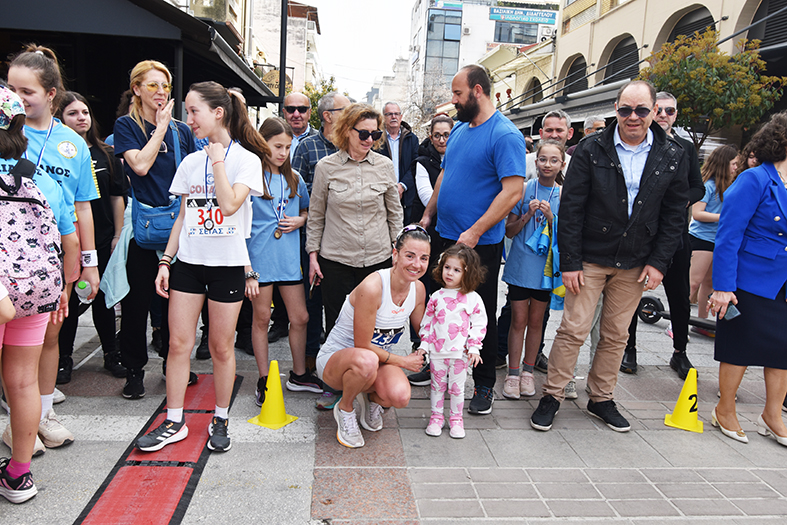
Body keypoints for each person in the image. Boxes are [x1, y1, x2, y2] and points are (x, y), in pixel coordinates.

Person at [530, 80, 689, 433]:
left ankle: (601, 397)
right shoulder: (590, 149)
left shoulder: (672, 154)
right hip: (589, 258)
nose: (633, 117)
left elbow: (675, 213)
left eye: (642, 110)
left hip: (636, 261)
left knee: (617, 335)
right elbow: (571, 209)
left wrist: (659, 262)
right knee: (573, 329)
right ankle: (552, 395)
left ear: (653, 112)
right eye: (625, 110)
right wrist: (569, 262)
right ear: (615, 110)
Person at [135, 81, 265, 453]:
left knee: (221, 347)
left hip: (226, 266)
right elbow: (182, 218)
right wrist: (165, 260)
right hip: (189, 264)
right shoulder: (190, 162)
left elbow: (227, 206)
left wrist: (219, 158)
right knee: (178, 344)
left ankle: (220, 417)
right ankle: (174, 420)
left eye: (194, 111)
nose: (188, 118)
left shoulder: (247, 160)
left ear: (218, 112)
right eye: (188, 111)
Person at [7, 44, 101, 449]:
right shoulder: (3, 129)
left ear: (51, 94)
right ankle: (17, 422)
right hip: (4, 254)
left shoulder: (73, 143)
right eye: (10, 88)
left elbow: (82, 205)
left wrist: (89, 264)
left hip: (48, 258)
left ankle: (41, 416)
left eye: (26, 90)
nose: (17, 97)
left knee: (49, 336)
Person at [420, 64, 526, 415]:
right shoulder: (462, 130)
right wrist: (428, 214)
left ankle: (483, 386)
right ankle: (434, 361)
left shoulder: (504, 135)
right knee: (440, 304)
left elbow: (512, 191)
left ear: (477, 91)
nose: (453, 101)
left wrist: (476, 231)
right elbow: (446, 174)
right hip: (446, 235)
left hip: (479, 244)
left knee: (479, 310)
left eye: (457, 93)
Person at [0, 85, 77, 504]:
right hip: (35, 287)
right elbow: (65, 232)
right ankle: (18, 476)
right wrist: (63, 288)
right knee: (25, 383)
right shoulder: (36, 174)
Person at [113, 60, 197, 400]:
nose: (161, 92)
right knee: (136, 304)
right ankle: (134, 370)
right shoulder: (126, 125)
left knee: (178, 302)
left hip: (179, 228)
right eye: (152, 86)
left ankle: (171, 362)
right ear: (136, 89)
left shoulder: (182, 130)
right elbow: (141, 166)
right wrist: (159, 129)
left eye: (165, 86)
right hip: (143, 230)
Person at [708, 111, 787, 446]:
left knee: (783, 349)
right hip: (750, 278)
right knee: (739, 346)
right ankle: (724, 409)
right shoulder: (755, 179)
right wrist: (723, 286)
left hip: (782, 281)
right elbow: (728, 234)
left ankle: (772, 414)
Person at [316, 226, 429, 448]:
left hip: (376, 362)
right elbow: (363, 345)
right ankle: (345, 407)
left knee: (399, 396)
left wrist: (457, 337)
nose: (417, 264)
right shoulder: (373, 287)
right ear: (395, 254)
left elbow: (424, 331)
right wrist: (404, 361)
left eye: (424, 258)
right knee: (366, 360)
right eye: (410, 256)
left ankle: (369, 400)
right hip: (336, 362)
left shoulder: (419, 289)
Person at [620, 91, 706, 378]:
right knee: (632, 292)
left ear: (675, 115)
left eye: (671, 112)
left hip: (676, 234)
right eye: (661, 111)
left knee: (679, 295)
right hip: (642, 234)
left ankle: (679, 352)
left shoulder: (685, 147)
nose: (665, 117)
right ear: (653, 111)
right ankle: (629, 348)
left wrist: (676, 201)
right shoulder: (642, 145)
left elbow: (698, 187)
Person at [306, 103, 403, 336]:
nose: (369, 139)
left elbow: (395, 213)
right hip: (336, 261)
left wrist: (398, 252)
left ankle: (371, 372)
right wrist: (313, 256)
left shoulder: (385, 166)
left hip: (377, 261)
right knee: (338, 327)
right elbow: (316, 215)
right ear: (347, 130)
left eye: (375, 134)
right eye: (363, 133)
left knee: (375, 328)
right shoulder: (326, 168)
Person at [245, 117, 321, 407]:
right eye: (277, 146)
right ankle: (264, 379)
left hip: (289, 259)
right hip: (260, 259)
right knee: (261, 318)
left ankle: (299, 374)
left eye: (288, 147)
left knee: (300, 317)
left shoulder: (295, 178)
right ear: (262, 143)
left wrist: (300, 220)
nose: (282, 153)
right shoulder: (251, 178)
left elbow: (306, 209)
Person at [56, 91, 128, 383]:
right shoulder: (56, 154)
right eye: (73, 113)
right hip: (68, 241)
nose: (81, 118)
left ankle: (111, 354)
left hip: (101, 239)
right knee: (69, 304)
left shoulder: (105, 154)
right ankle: (63, 358)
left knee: (104, 301)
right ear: (59, 118)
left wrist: (118, 235)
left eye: (84, 112)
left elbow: (117, 196)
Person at [291, 91, 350, 377]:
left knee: (340, 301)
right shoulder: (307, 148)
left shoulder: (353, 147)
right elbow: (295, 192)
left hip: (343, 238)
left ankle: (337, 358)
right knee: (312, 298)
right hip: (313, 235)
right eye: (344, 110)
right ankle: (312, 356)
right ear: (328, 116)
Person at [501, 139, 564, 400]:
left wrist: (551, 217)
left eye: (553, 160)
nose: (547, 165)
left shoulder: (564, 195)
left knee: (537, 320)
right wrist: (527, 215)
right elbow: (509, 230)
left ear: (561, 164)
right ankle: (512, 373)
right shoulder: (525, 189)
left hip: (545, 269)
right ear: (535, 161)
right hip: (520, 264)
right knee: (518, 320)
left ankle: (529, 371)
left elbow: (567, 235)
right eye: (542, 159)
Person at [406, 113, 454, 387]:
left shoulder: (460, 159)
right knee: (423, 294)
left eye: (446, 134)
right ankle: (422, 355)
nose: (441, 140)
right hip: (429, 236)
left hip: (452, 236)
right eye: (436, 135)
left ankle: (446, 357)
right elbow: (428, 197)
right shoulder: (422, 162)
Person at [419, 244, 487, 439]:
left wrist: (474, 347)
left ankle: (457, 419)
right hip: (438, 352)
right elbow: (428, 322)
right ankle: (436, 417)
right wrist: (424, 344)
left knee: (457, 388)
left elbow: (479, 323)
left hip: (460, 354)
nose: (450, 273)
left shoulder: (472, 298)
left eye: (457, 270)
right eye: (447, 267)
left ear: (468, 273)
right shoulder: (436, 297)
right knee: (436, 386)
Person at [688, 145, 738, 337]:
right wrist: (724, 217)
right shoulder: (708, 186)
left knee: (709, 282)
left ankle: (702, 322)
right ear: (723, 164)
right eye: (733, 164)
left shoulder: (728, 187)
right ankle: (677, 321)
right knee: (693, 283)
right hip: (702, 239)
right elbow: (698, 213)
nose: (736, 168)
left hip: (717, 240)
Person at [377, 102, 419, 224]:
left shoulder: (412, 139)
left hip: (407, 197)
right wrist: (391, 187)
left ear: (401, 117)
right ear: (383, 117)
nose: (393, 117)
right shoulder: (376, 139)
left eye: (396, 114)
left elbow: (415, 166)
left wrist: (402, 186)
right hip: (382, 195)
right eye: (389, 114)